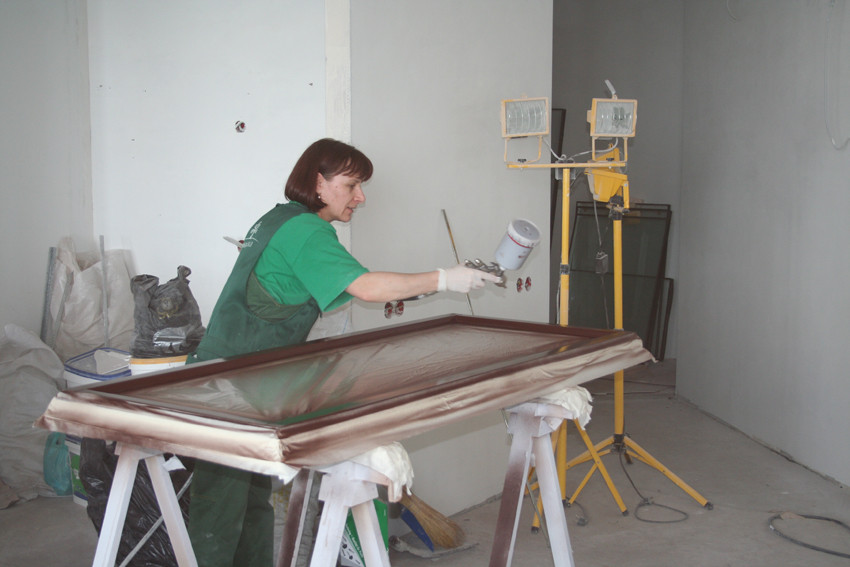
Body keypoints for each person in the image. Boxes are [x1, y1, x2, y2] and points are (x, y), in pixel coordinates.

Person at [186, 138, 501, 567]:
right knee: (221, 511)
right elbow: (366, 287)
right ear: (319, 182)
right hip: (232, 386)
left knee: (251, 502)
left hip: (246, 380)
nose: (361, 197)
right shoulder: (305, 230)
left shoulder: (280, 219)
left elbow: (334, 290)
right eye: (352, 185)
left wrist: (421, 287)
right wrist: (444, 279)